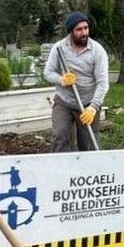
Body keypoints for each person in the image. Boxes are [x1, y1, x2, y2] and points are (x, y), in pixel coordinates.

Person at [44, 11, 109, 152]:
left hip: (87, 104)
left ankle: (88, 172)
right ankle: (60, 169)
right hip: (64, 101)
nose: (84, 32)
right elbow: (48, 73)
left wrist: (93, 108)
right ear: (71, 32)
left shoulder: (97, 51)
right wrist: (61, 79)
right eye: (79, 29)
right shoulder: (59, 48)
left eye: (86, 28)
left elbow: (103, 83)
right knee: (60, 135)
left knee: (88, 143)